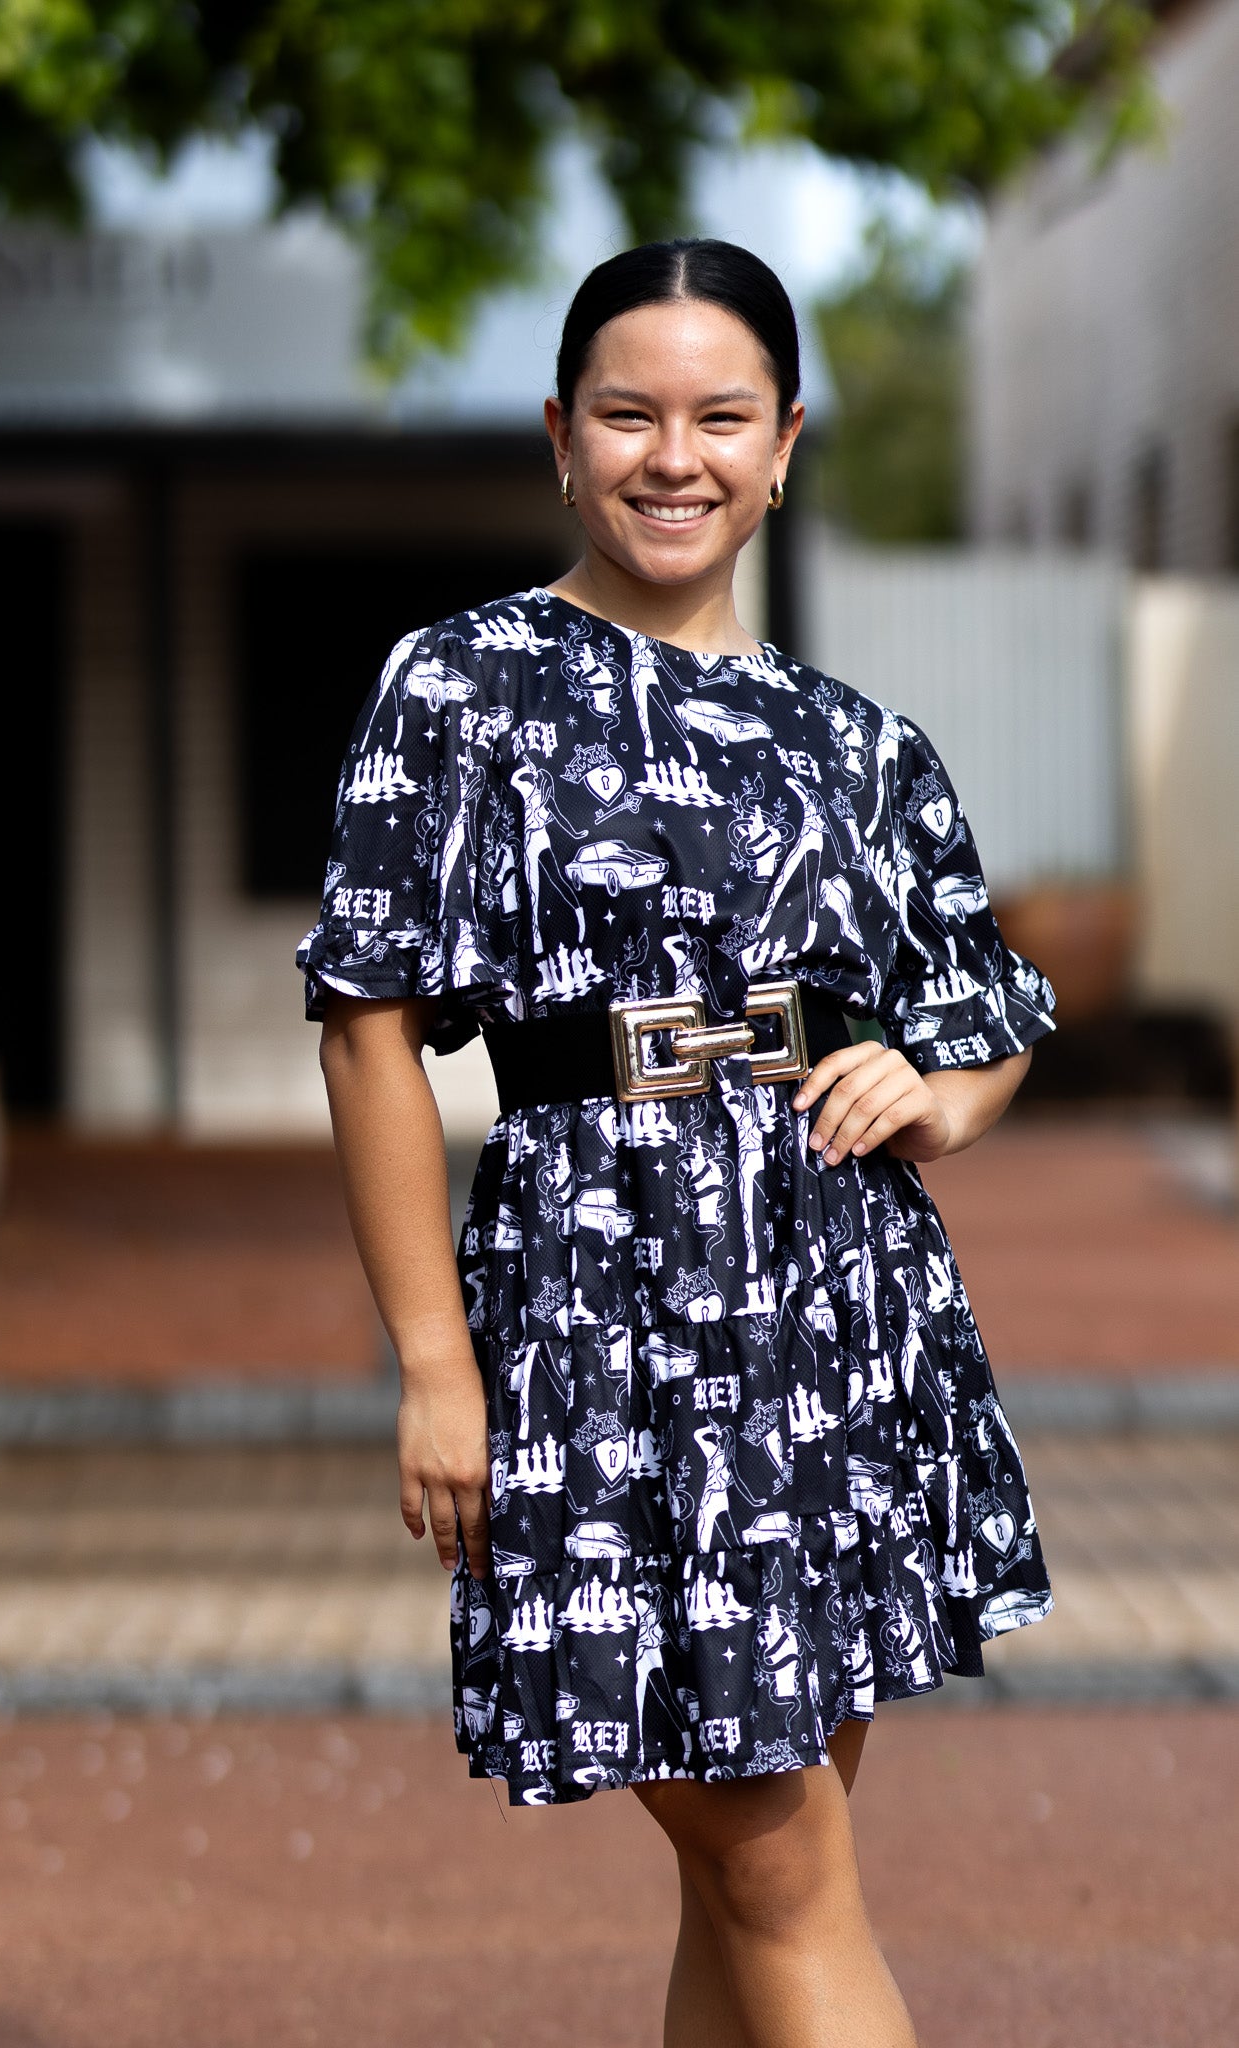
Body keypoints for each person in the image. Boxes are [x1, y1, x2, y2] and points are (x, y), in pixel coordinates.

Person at [298, 238, 1056, 2048]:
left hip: (834, 1318)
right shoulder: (459, 688)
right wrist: (430, 1362)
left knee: (760, 1878)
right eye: (627, 414)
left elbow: (990, 997)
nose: (674, 455)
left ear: (786, 442)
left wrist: (938, 1095)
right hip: (592, 1326)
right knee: (776, 1867)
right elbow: (368, 1029)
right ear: (560, 437)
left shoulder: (855, 740)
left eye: (722, 416)